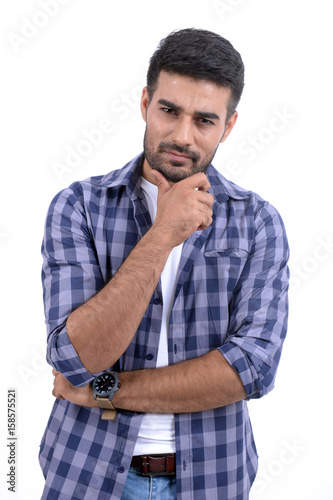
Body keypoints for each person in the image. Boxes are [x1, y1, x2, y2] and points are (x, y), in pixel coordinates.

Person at [39, 28, 289, 500]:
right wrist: (162, 235)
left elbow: (251, 369)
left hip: (213, 478)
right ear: (144, 103)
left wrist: (105, 391)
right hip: (86, 474)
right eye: (169, 111)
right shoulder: (78, 207)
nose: (182, 136)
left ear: (229, 126)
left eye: (204, 120)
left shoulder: (258, 223)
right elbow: (76, 359)